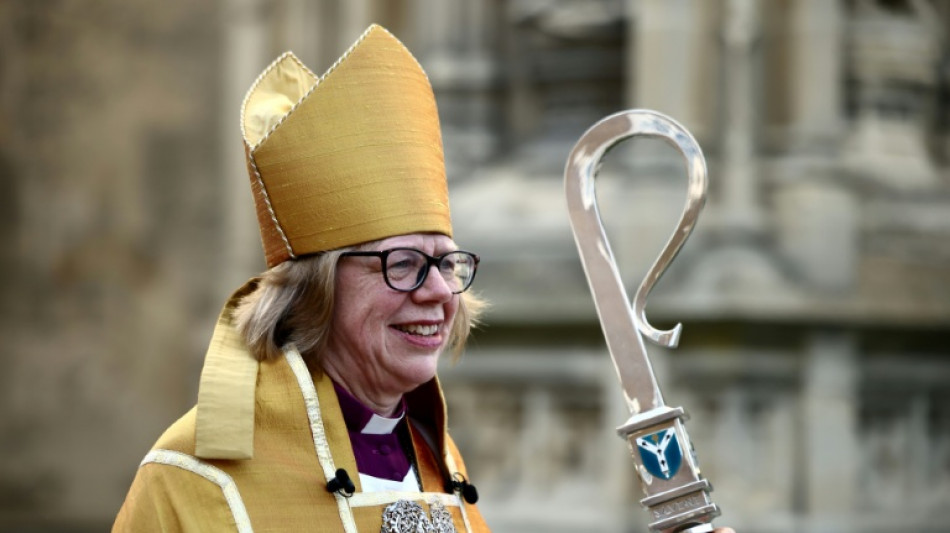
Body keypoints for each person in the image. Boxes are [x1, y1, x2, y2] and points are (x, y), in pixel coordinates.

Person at [113, 23, 738, 533]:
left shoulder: (436, 462)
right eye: (404, 264)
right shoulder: (194, 478)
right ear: (315, 287)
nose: (439, 292)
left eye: (447, 263)